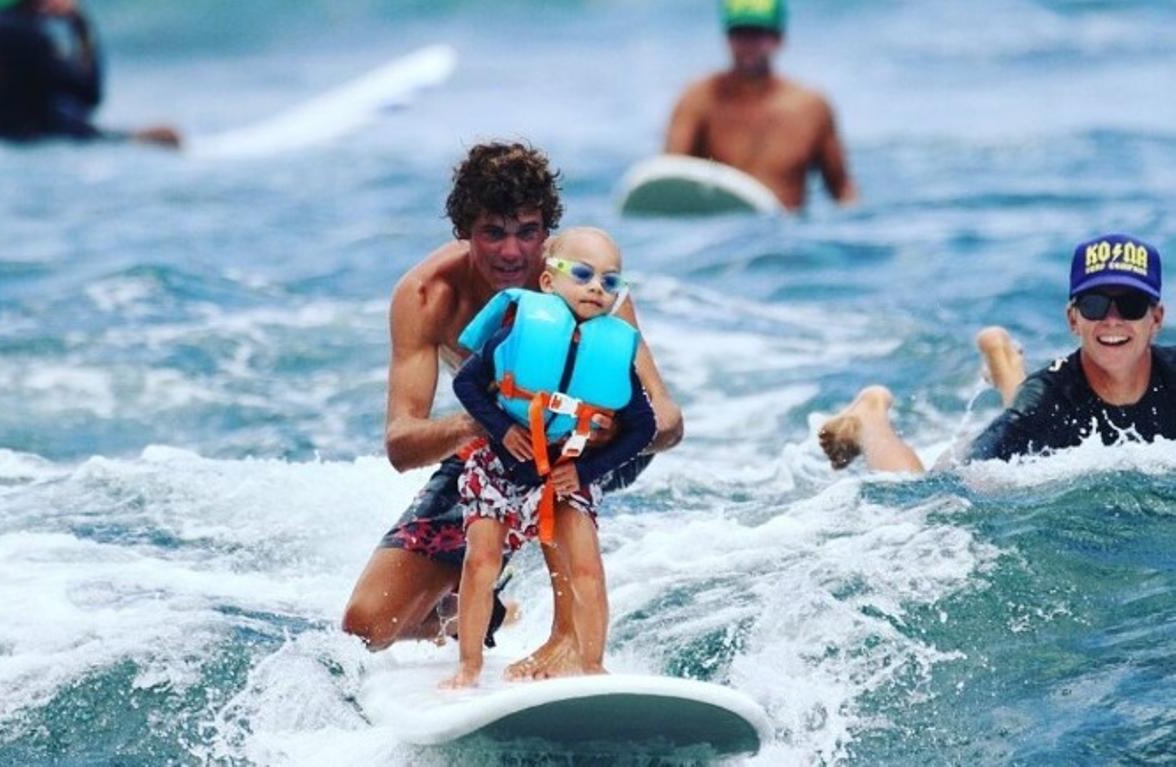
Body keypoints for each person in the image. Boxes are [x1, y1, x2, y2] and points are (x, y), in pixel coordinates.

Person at [342, 143, 684, 680]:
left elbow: (666, 424)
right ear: (464, 231)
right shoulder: (428, 296)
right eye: (492, 232)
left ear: (547, 233)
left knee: (559, 482)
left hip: (593, 444)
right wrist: (488, 422)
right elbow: (401, 444)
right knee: (367, 625)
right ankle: (468, 614)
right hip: (498, 440)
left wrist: (597, 435)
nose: (511, 252)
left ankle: (571, 645)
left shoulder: (583, 281)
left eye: (528, 231)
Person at [440, 227, 656, 688]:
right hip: (501, 463)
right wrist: (504, 429)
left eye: (610, 280)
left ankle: (591, 665)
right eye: (582, 274)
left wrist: (585, 470)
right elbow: (467, 385)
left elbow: (644, 427)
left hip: (565, 467)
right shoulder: (519, 329)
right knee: (481, 561)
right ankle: (469, 667)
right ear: (548, 282)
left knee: (587, 565)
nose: (597, 287)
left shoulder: (613, 350)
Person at [819, 234, 1175, 473]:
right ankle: (870, 417)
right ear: (1073, 320)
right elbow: (945, 491)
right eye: (1095, 305)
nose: (1112, 321)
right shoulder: (1046, 398)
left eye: (1130, 305)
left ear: (1156, 319)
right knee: (916, 486)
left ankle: (1004, 360)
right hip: (1043, 405)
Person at [664, 0, 858, 211]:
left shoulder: (810, 108)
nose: (748, 45)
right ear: (727, 38)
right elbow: (671, 178)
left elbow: (842, 190)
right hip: (717, 237)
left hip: (789, 238)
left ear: (779, 39)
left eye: (757, 33)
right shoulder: (698, 100)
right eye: (739, 32)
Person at [0, 0, 179, 146]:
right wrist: (79, 23)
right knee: (166, 137)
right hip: (48, 138)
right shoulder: (30, 37)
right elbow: (89, 94)